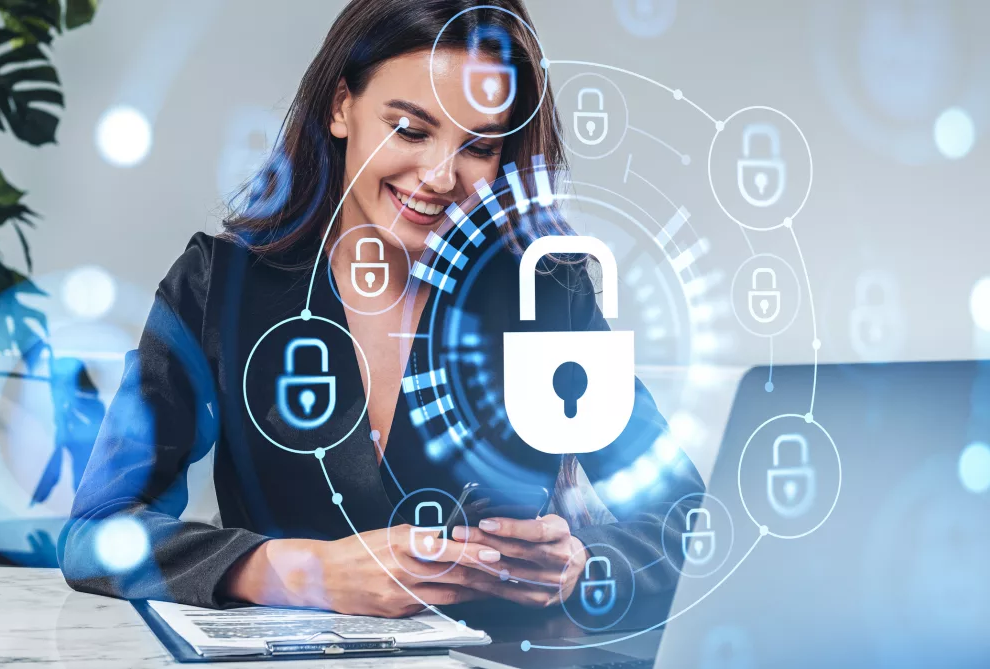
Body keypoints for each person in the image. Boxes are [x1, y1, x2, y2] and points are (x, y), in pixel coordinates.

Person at [59, 0, 704, 618]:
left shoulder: (547, 296)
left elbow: (687, 518)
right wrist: (304, 572)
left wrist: (583, 562)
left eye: (478, 147)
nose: (440, 176)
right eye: (410, 129)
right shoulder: (219, 285)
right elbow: (97, 533)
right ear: (342, 106)